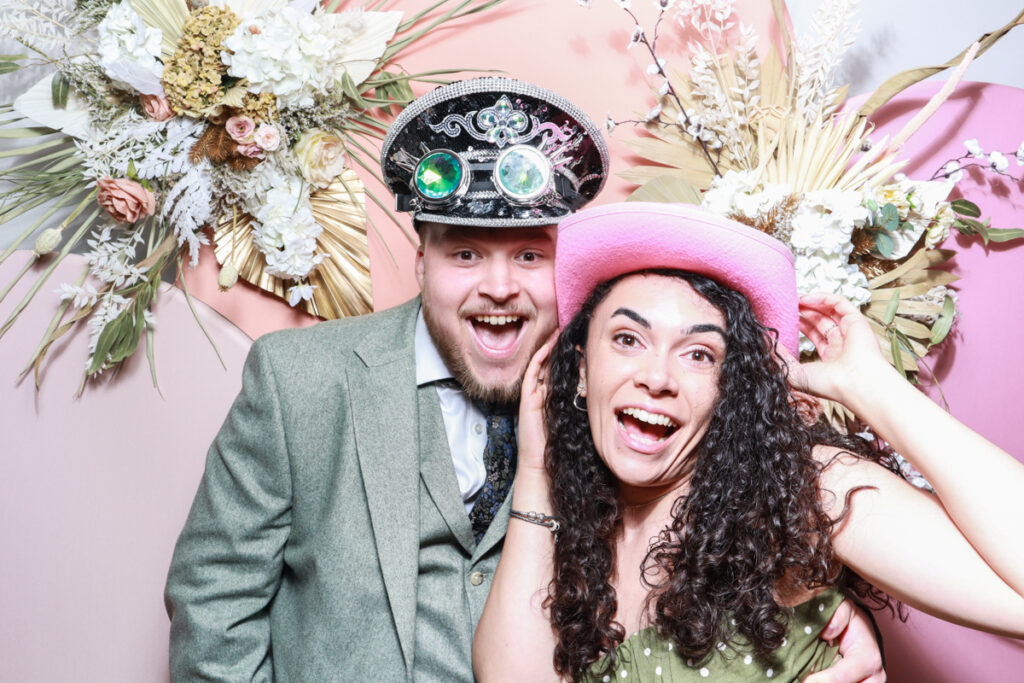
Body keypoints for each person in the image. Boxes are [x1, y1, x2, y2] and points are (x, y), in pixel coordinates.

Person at [165, 80, 882, 681]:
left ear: (570, 274)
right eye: (467, 252)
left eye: (531, 257)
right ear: (421, 261)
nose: (499, 286)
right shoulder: (301, 380)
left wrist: (820, 613)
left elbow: (732, 510)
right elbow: (214, 605)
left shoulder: (624, 409)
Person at [473, 201, 1024, 681]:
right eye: (627, 338)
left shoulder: (798, 492)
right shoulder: (574, 521)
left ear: (731, 387)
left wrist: (872, 389)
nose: (657, 377)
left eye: (699, 354)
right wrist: (535, 471)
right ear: (583, 371)